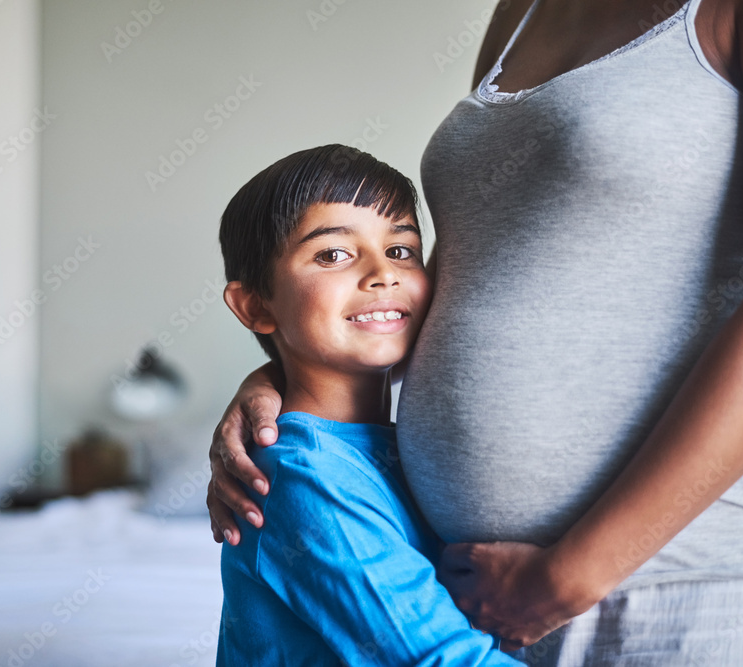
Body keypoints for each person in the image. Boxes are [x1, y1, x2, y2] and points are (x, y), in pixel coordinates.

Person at [208, 0, 743, 663]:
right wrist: (280, 377)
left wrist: (572, 573)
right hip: (480, 601)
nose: (381, 270)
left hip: (669, 588)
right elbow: (473, 266)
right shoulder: (521, 12)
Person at [213, 144, 521, 666]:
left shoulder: (403, 447)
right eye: (333, 254)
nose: (384, 273)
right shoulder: (302, 474)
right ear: (256, 305)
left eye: (401, 250)